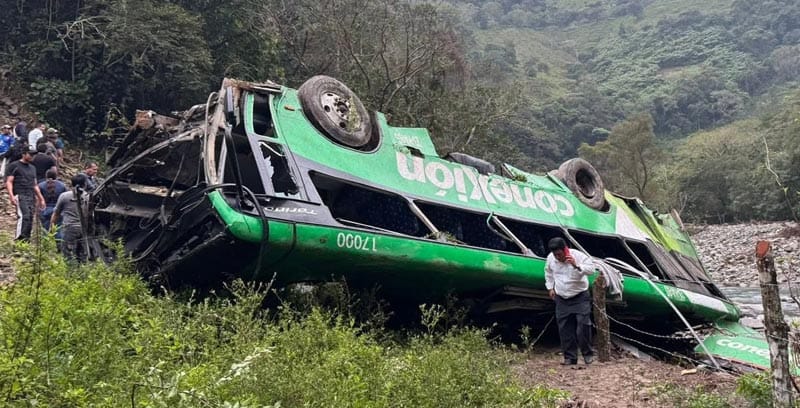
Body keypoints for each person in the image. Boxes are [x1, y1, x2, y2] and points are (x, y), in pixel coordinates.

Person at [544, 237, 596, 366]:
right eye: (555, 255)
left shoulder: (578, 256)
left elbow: (591, 270)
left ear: (565, 250)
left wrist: (576, 265)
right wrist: (550, 287)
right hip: (561, 297)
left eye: (559, 254)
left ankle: (587, 354)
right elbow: (548, 273)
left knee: (583, 325)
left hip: (580, 295)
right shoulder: (551, 258)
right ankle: (570, 357)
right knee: (564, 328)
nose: (557, 257)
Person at [6, 148, 46, 241]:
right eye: (30, 154)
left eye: (34, 155)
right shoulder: (14, 166)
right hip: (20, 194)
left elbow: (34, 184)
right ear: (23, 154)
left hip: (30, 195)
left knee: (31, 217)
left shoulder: (32, 168)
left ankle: (26, 240)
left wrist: (41, 198)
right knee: (24, 216)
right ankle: (19, 239)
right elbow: (9, 181)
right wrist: (11, 196)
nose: (33, 156)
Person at [52, 174, 89, 261]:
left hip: (69, 227)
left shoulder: (64, 196)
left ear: (71, 183)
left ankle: (70, 272)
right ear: (85, 184)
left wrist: (52, 226)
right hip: (84, 229)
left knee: (68, 253)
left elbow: (56, 213)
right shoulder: (88, 196)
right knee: (83, 254)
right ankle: (81, 272)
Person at [38, 168, 67, 236]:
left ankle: (46, 245)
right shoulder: (62, 185)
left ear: (46, 176)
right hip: (57, 211)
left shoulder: (40, 185)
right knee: (58, 230)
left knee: (45, 230)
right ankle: (59, 245)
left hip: (44, 210)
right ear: (56, 176)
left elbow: (38, 199)